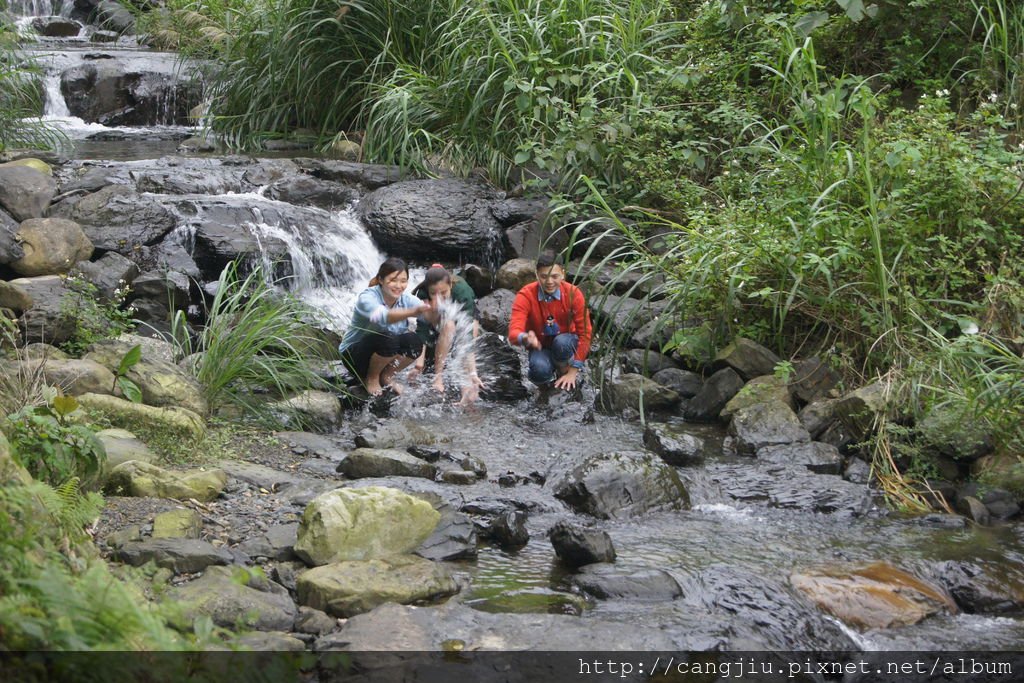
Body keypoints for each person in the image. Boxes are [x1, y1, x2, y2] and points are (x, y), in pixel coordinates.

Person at [338, 257, 433, 395]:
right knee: (389, 338)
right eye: (393, 280)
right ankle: (371, 378)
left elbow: (428, 315)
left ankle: (387, 376)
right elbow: (384, 317)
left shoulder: (406, 300)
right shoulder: (367, 298)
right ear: (381, 280)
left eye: (403, 281)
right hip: (354, 356)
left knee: (414, 342)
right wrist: (413, 312)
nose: (399, 286)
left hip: (383, 352)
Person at [508, 252, 592, 391]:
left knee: (561, 343)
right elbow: (513, 333)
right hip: (541, 346)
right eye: (544, 276)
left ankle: (563, 367)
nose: (549, 282)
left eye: (555, 276)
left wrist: (574, 371)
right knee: (539, 370)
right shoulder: (525, 295)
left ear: (563, 274)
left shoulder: (573, 293)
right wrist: (524, 338)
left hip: (566, 341)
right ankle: (545, 390)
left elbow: (585, 333)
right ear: (536, 274)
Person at [410, 264, 485, 403]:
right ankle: (438, 377)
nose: (439, 299)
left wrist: (473, 372)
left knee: (470, 330)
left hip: (465, 314)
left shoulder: (463, 291)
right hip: (439, 319)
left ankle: (466, 388)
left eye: (444, 293)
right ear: (428, 290)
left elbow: (466, 333)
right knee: (449, 325)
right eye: (434, 294)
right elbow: (422, 330)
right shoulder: (423, 295)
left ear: (451, 285)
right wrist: (418, 364)